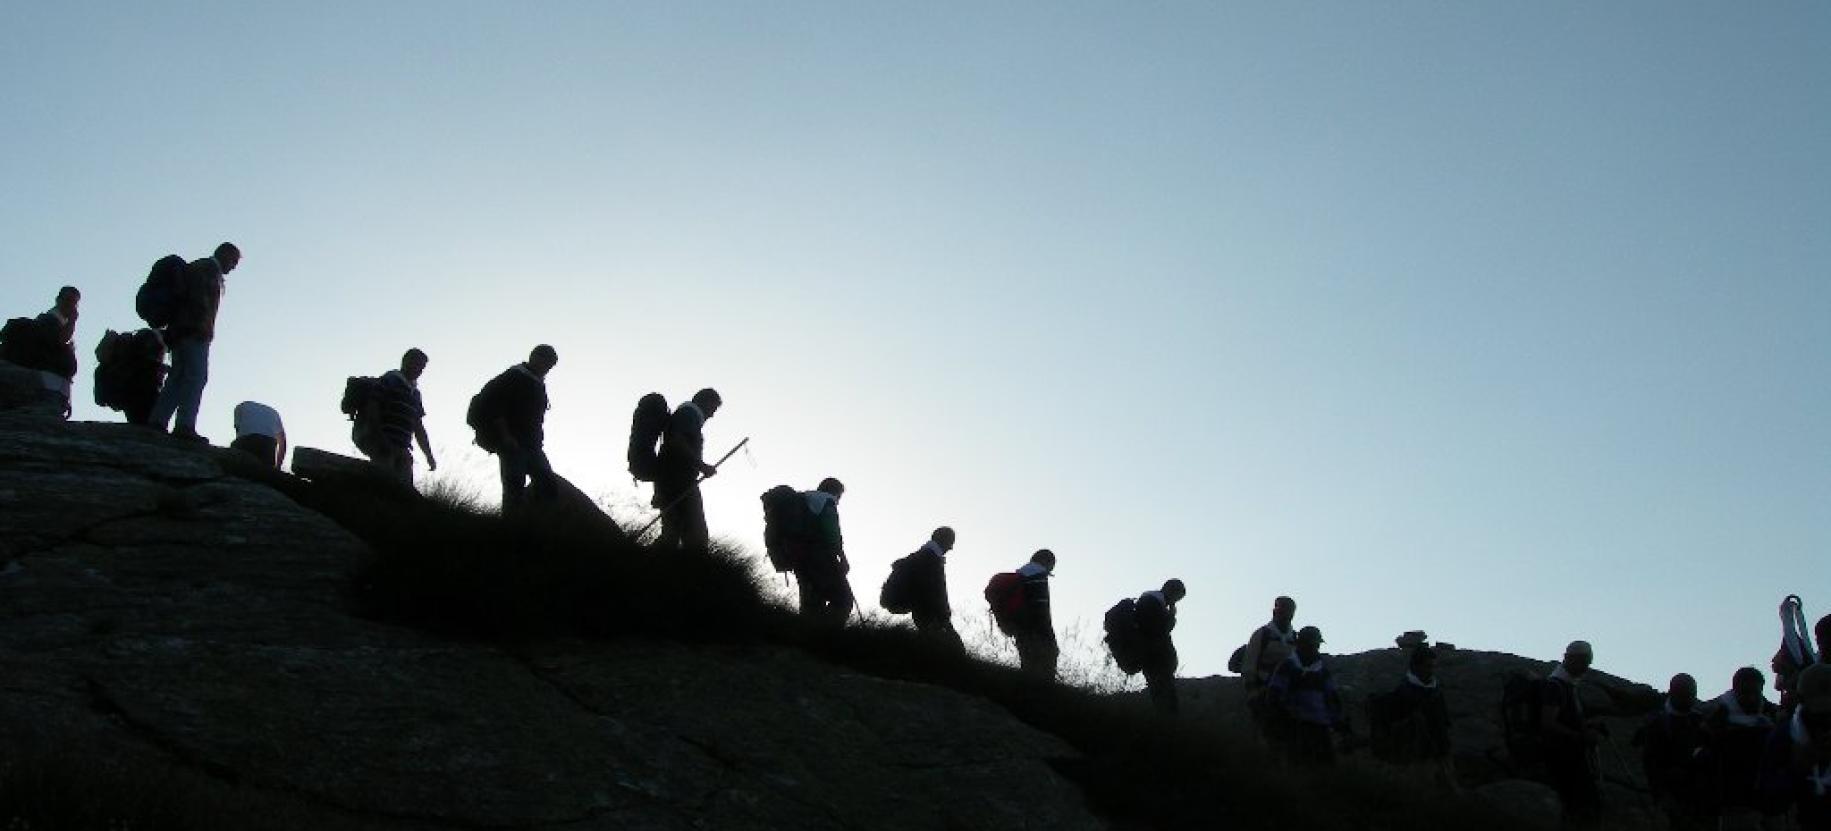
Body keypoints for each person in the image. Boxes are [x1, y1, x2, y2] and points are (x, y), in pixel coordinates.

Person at [149, 243, 240, 443]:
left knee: (178, 376)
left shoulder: (199, 268)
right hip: (193, 332)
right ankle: (185, 425)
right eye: (233, 260)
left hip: (179, 332)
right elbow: (200, 302)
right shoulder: (207, 270)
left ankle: (157, 420)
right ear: (223, 254)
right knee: (196, 377)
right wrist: (203, 329)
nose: (233, 266)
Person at [476, 345, 558, 510]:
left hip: (532, 444)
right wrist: (505, 436)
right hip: (513, 442)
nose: (547, 368)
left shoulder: (537, 383)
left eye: (550, 366)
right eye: (546, 363)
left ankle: (533, 524)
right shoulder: (515, 377)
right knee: (515, 484)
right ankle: (512, 527)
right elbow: (496, 407)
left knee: (546, 483)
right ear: (534, 357)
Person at [1704, 667, 1784, 830]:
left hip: (1770, 799)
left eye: (1756, 693)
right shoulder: (1717, 717)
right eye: (1746, 693)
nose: (1752, 699)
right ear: (1736, 691)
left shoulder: (1771, 714)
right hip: (1735, 801)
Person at [1758, 663, 1831, 830]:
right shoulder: (1785, 736)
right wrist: (1799, 767)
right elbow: (1767, 801)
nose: (1825, 719)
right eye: (1820, 713)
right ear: (1802, 701)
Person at [1539, 640, 1604, 825]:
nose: (1586, 667)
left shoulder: (1568, 686)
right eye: (1584, 661)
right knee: (1583, 806)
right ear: (1569, 659)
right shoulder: (1556, 686)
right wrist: (1581, 737)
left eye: (1588, 662)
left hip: (1571, 756)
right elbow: (1548, 723)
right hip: (1563, 758)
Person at [1634, 673, 1709, 831]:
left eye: (1691, 695)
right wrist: (1661, 795)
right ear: (1673, 693)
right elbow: (1651, 764)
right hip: (1670, 791)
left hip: (1697, 793)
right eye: (1685, 695)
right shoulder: (1658, 724)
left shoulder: (1699, 722)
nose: (1689, 699)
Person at [1267, 625, 1349, 766]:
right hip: (1295, 727)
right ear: (1301, 644)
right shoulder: (1287, 667)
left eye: (1316, 645)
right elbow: (1274, 696)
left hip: (1320, 728)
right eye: (1313, 644)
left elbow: (1332, 700)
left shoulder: (1322, 671)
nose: (1315, 648)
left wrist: (1338, 723)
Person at [1371, 644, 1454, 781]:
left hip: (1436, 756)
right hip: (1410, 759)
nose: (1431, 671)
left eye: (1433, 667)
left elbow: (1443, 725)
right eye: (1428, 667)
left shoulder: (1437, 693)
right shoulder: (1401, 695)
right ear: (1416, 667)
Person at [653, 388, 722, 549]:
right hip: (678, 481)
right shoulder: (688, 414)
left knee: (673, 530)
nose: (712, 415)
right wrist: (701, 465)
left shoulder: (686, 415)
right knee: (695, 535)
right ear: (704, 402)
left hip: (670, 479)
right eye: (713, 409)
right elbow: (677, 441)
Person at [366, 348, 437, 486]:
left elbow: (418, 426)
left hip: (403, 449)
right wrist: (379, 439)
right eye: (417, 365)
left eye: (422, 368)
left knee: (403, 489)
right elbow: (372, 407)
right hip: (384, 444)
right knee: (381, 485)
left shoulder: (415, 394)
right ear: (406, 362)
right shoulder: (390, 380)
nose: (419, 371)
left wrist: (428, 455)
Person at [792, 478, 853, 626]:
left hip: (798, 556)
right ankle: (827, 637)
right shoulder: (826, 501)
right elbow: (832, 533)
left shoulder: (805, 499)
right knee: (843, 600)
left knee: (811, 602)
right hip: (820, 558)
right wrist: (842, 557)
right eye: (839, 496)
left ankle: (806, 637)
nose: (838, 500)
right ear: (835, 492)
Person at [1243, 596, 1299, 744]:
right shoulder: (1262, 635)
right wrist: (1252, 691)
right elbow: (1250, 664)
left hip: (1288, 694)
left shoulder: (1295, 638)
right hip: (1264, 691)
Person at [901, 527, 963, 653]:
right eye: (950, 542)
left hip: (928, 611)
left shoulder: (926, 556)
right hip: (930, 613)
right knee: (953, 648)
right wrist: (943, 614)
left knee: (938, 645)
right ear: (943, 540)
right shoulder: (931, 559)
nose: (951, 548)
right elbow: (934, 590)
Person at [1135, 579, 1185, 715]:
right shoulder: (1152, 604)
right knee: (1165, 700)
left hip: (1153, 659)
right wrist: (1171, 617)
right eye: (1176, 598)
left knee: (1159, 696)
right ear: (1171, 591)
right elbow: (1159, 632)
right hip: (1156, 661)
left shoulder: (1151, 602)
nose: (1174, 602)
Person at [1011, 549, 1059, 681]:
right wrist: (1050, 638)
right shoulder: (1038, 575)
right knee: (1043, 672)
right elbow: (1041, 608)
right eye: (1051, 566)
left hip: (1021, 630)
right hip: (1037, 633)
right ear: (1046, 561)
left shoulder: (1021, 573)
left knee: (1028, 669)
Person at [230, 401, 287, 469]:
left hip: (247, 441)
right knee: (266, 470)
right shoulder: (274, 413)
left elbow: (238, 432)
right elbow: (283, 443)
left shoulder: (240, 407)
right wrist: (278, 467)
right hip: (268, 445)